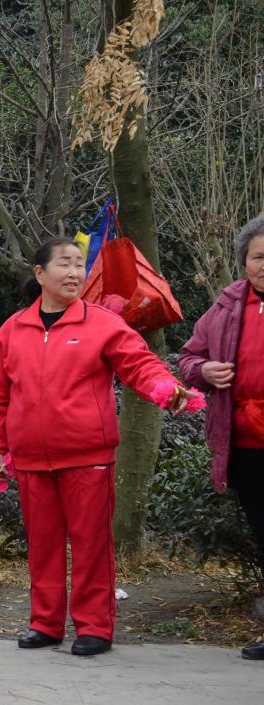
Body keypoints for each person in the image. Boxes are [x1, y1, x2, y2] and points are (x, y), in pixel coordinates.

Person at [0, 237, 192, 658]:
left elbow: (139, 363)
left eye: (80, 264)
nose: (75, 272)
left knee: (91, 544)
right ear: (40, 274)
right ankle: (45, 623)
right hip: (29, 458)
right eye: (65, 263)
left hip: (87, 457)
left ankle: (95, 625)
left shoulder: (102, 323)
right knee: (42, 544)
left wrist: (165, 388)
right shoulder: (13, 329)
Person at [177, 214, 264, 661]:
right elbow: (189, 357)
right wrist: (205, 371)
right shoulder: (227, 306)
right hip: (246, 445)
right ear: (244, 262)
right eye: (258, 256)